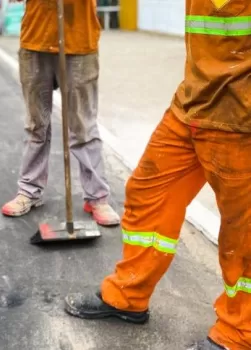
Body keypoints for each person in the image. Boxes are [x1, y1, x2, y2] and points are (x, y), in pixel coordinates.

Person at [63, 1, 251, 349]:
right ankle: (128, 294)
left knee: (243, 236)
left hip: (239, 120)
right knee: (148, 193)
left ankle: (241, 333)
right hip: (192, 104)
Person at [1, 0, 120, 226]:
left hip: (79, 42)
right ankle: (29, 191)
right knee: (36, 124)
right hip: (36, 40)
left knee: (83, 125)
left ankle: (97, 197)